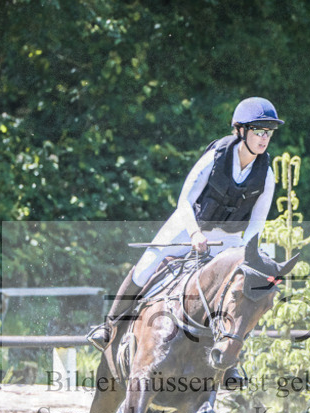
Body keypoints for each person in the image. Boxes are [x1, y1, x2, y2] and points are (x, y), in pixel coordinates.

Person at [87, 96, 283, 350]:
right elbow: (184, 202)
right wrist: (193, 234)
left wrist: (246, 254)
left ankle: (233, 358)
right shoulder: (215, 158)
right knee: (146, 266)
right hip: (190, 225)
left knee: (239, 289)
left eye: (268, 132)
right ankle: (109, 327)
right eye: (258, 130)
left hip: (228, 238)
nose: (264, 138)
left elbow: (257, 224)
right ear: (240, 130)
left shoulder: (266, 174)